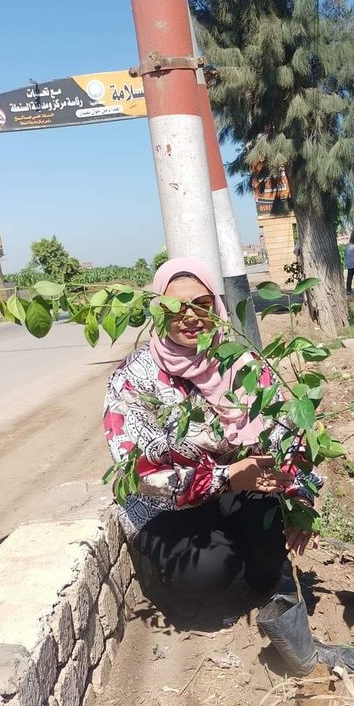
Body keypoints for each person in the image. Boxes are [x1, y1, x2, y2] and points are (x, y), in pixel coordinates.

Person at [103, 257, 320, 617]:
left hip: (240, 488)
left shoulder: (241, 362)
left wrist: (300, 497)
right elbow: (138, 470)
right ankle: (172, 574)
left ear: (216, 308)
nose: (191, 316)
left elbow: (287, 428)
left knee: (273, 539)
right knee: (206, 572)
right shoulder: (133, 378)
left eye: (202, 305)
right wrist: (226, 477)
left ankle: (256, 571)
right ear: (159, 310)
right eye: (178, 307)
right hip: (168, 504)